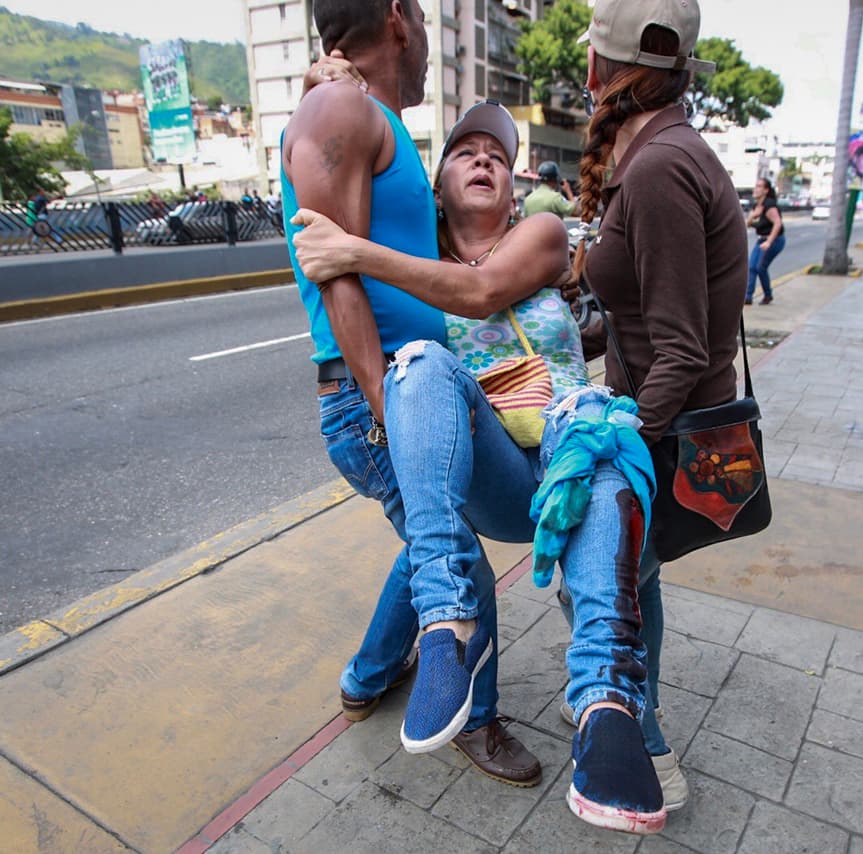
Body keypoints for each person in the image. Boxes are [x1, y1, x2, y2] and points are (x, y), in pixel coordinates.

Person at [291, 67, 675, 832]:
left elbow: (476, 292)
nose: (482, 161)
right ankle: (448, 625)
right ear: (437, 186)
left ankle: (605, 702)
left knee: (592, 420)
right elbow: (346, 160)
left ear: (513, 186)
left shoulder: (537, 235)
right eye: (464, 151)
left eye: (497, 157)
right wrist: (330, 75)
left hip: (569, 450)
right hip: (498, 468)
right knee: (422, 364)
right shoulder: (421, 247)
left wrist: (351, 251)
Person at [279, 0, 541, 791]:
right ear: (398, 17)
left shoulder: (366, 114)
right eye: (425, 18)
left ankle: (365, 678)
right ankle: (477, 717)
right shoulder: (339, 108)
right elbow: (336, 270)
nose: (428, 40)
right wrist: (386, 405)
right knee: (453, 552)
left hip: (411, 383)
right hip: (380, 393)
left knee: (427, 541)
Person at [567, 0, 743, 828]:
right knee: (627, 583)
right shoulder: (663, 153)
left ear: (601, 72)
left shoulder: (660, 169)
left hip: (663, 428)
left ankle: (640, 739)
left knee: (605, 586)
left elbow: (680, 347)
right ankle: (633, 715)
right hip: (656, 411)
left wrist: (616, 436)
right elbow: (646, 322)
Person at [745, 176, 785, 305]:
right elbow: (748, 224)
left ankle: (768, 295)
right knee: (751, 267)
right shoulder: (757, 206)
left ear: (766, 190)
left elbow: (777, 223)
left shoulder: (769, 205)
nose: (756, 189)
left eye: (759, 186)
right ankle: (748, 297)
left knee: (760, 267)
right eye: (756, 186)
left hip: (774, 240)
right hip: (761, 239)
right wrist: (753, 215)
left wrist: (769, 242)